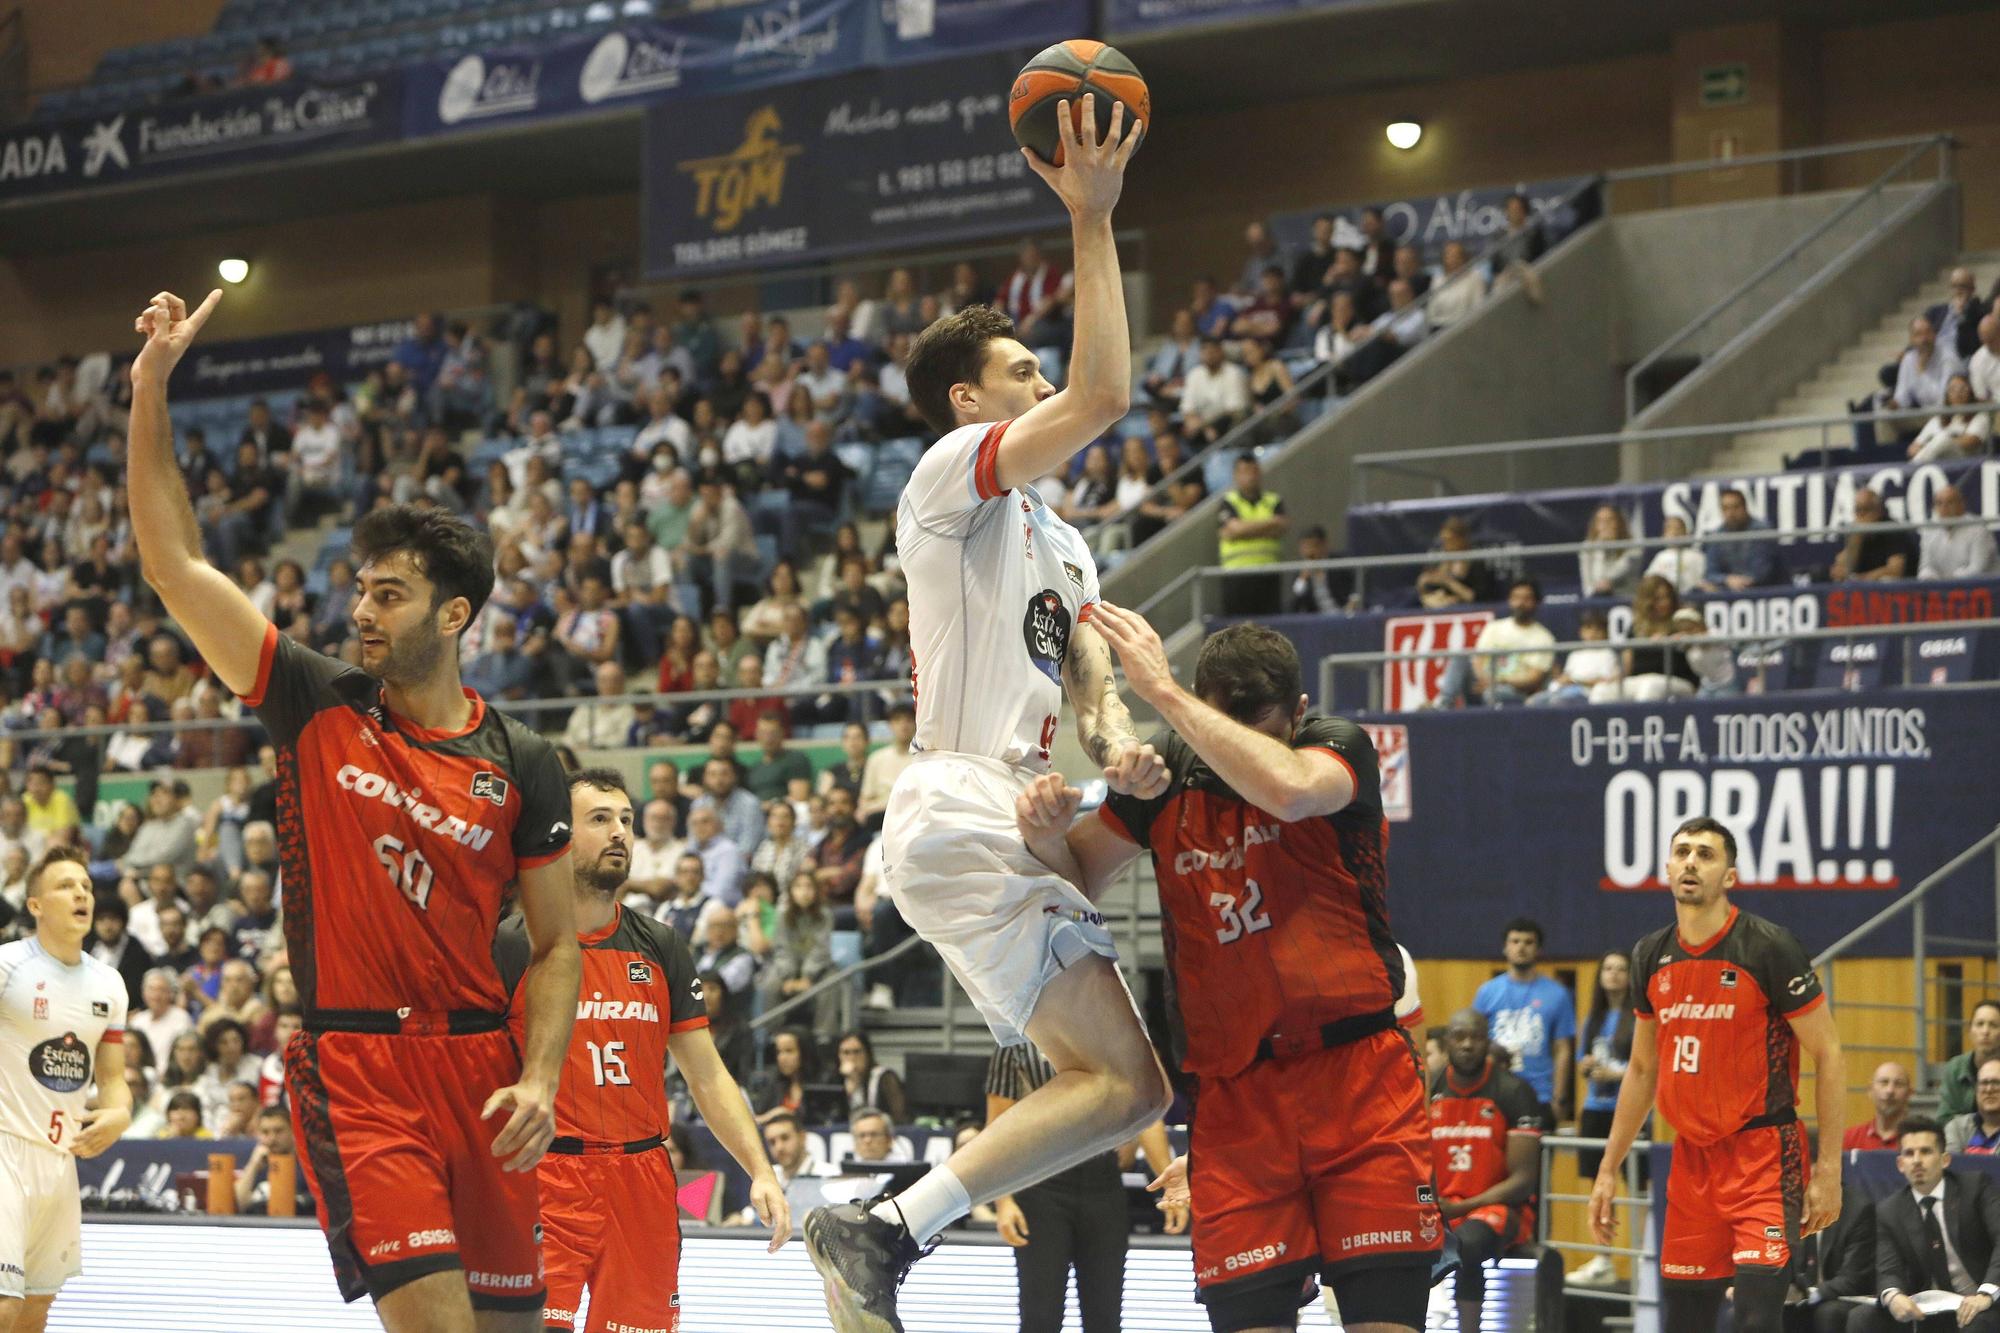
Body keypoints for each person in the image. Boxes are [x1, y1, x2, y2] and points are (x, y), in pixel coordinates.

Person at [127, 288, 581, 1331]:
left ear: (454, 614)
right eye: (360, 590)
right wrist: (151, 386)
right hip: (357, 1067)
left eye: (389, 596)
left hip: (484, 1066)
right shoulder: (314, 698)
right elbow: (173, 564)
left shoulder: (521, 758)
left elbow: (556, 945)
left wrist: (544, 1075)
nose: (359, 612)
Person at [803, 93, 1174, 1333]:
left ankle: (883, 1230)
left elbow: (1083, 671)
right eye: (1019, 372)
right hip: (952, 790)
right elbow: (1107, 391)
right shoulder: (943, 484)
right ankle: (884, 1226)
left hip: (1003, 805)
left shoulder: (1061, 540)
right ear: (970, 405)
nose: (1040, 381)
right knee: (1124, 1082)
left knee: (1121, 1086)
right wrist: (1089, 219)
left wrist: (1113, 743)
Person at [1014, 614, 1443, 1333]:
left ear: (1298, 714)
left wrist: (1165, 694)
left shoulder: (1335, 747)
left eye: (1256, 721)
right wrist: (1045, 831)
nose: (1230, 737)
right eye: (1220, 717)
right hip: (1237, 1105)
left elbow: (1290, 790)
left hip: (1358, 1084)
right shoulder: (1163, 777)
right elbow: (1077, 874)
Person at [495, 769, 789, 1332]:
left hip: (644, 1180)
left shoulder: (662, 945)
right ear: (559, 833)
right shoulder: (512, 943)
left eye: (627, 821)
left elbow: (707, 1076)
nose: (619, 834)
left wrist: (760, 1169)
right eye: (600, 820)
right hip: (545, 1178)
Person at [1590, 817, 1846, 1333]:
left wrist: (1829, 1169)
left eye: (1706, 854)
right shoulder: (1649, 954)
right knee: (1685, 1321)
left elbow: (1830, 1053)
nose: (1691, 862)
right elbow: (1641, 1069)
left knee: (1755, 1318)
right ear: (1666, 868)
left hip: (1763, 1157)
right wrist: (1607, 1167)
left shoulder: (1768, 947)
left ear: (1729, 875)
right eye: (1682, 851)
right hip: (1690, 1161)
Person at [0, 848, 132, 1329]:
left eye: (87, 887)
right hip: (4, 1150)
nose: (81, 893)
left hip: (58, 1163)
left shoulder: (110, 984)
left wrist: (118, 1116)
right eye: (65, 886)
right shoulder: (9, 966)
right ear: (35, 905)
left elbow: (114, 1082)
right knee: (3, 1305)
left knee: (35, 1309)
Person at [987, 1043, 1183, 1333]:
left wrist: (1169, 1183)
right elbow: (997, 1127)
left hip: (1103, 1182)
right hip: (1041, 1183)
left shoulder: (1119, 1034)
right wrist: (1003, 1200)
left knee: (1105, 1319)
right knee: (1040, 1318)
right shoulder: (1016, 1043)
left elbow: (1149, 1112)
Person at [1431, 1009, 1549, 1333]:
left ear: (1488, 1041)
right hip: (1442, 1206)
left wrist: (1462, 1207)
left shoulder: (1513, 1091)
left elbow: (1524, 1181)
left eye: (1476, 1037)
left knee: (1466, 1244)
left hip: (1499, 1209)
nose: (1468, 1045)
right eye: (1459, 1037)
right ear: (1447, 1042)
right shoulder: (1430, 1088)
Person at [1854, 1118, 2000, 1333]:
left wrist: (1985, 1295)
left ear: (1945, 1160)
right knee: (1862, 1318)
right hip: (1929, 1306)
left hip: (1984, 1300)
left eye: (1925, 1152)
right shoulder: (1889, 1210)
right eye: (1909, 1154)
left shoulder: (1975, 1187)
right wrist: (1894, 1296)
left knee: (1975, 1323)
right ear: (1900, 1164)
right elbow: (1888, 1268)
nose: (1917, 1161)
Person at [1575, 950, 1642, 1274]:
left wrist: (1615, 1075)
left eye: (1621, 969)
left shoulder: (1640, 1017)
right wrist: (1586, 1067)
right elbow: (1582, 1058)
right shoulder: (1593, 1019)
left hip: (1627, 1111)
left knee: (1638, 1185)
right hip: (1595, 1109)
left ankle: (1646, 1255)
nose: (1613, 974)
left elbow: (1648, 1067)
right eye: (1608, 968)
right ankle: (1603, 1258)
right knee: (1600, 1186)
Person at [1474, 916, 1577, 1121]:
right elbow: (1477, 1042)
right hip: (1493, 1092)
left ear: (1539, 950)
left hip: (1540, 1095)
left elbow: (1563, 1049)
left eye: (1528, 942)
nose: (1521, 947)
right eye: (1515, 941)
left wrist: (1559, 1098)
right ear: (1505, 948)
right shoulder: (1487, 992)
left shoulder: (1557, 994)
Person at [1433, 579, 1557, 709]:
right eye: (1516, 598)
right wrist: (1486, 680)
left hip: (1513, 691)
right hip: (1482, 684)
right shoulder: (1495, 627)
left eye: (1526, 599)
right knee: (1461, 657)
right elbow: (1478, 660)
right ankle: (1444, 705)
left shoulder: (1543, 638)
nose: (1520, 603)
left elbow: (1534, 678)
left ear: (1536, 602)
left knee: (1492, 693)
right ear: (1510, 600)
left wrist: (1497, 682)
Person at [1703, 489, 1783, 592]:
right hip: (1729, 590)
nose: (1731, 513)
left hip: (1765, 590)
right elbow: (1710, 573)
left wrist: (1738, 582)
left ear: (1745, 507)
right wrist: (1727, 579)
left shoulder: (1762, 530)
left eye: (1735, 507)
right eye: (1726, 508)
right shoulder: (1717, 536)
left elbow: (1762, 572)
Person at [1833, 489, 1919, 582]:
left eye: (1866, 509)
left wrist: (1860, 578)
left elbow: (1895, 570)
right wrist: (1857, 538)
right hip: (1861, 588)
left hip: (1894, 590)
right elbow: (1839, 570)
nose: (1861, 515)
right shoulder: (1853, 530)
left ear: (1878, 510)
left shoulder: (1892, 529)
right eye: (1857, 509)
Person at [1918, 486, 1999, 580]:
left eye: (1950, 502)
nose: (1944, 508)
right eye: (1939, 503)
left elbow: (1977, 570)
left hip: (1987, 590)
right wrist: (1929, 578)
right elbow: (1926, 566)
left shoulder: (1978, 529)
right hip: (1945, 589)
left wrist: (1946, 582)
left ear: (1961, 505)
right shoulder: (1929, 530)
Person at [1939, 1003, 2000, 1121]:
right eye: (1980, 1024)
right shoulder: (1955, 1068)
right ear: (1970, 1031)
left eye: (1993, 1025)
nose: (1985, 1031)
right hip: (1961, 1137)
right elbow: (1944, 1118)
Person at [1845, 1063, 1915, 1152]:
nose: (1890, 1090)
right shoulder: (1849, 1139)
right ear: (1870, 1090)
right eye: (1884, 1082)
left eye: (1898, 1084)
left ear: (1910, 1094)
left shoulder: (1921, 1140)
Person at [1946, 1061, 2000, 1157]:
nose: (1989, 1089)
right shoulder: (1957, 1128)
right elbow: (1951, 1168)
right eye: (1984, 1083)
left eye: (1996, 1083)